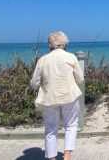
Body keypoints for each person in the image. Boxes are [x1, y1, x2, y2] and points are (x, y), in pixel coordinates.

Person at [30, 31, 84, 160]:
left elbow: (34, 83)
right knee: (71, 126)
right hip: (69, 96)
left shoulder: (43, 59)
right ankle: (67, 157)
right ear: (65, 43)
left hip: (50, 98)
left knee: (50, 130)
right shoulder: (71, 57)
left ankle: (52, 158)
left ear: (50, 44)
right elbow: (80, 79)